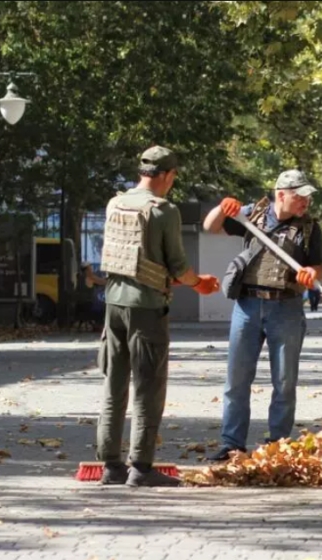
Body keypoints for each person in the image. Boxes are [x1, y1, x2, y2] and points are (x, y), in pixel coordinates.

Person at [97, 145, 220, 487]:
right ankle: (141, 467)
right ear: (166, 175)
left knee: (114, 385)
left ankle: (110, 466)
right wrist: (200, 284)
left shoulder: (114, 204)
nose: (172, 184)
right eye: (173, 178)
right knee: (148, 388)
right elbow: (179, 267)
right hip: (147, 309)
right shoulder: (165, 211)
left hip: (113, 305)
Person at [203, 169, 322, 461]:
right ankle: (232, 443)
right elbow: (211, 226)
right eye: (299, 196)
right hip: (247, 306)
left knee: (284, 381)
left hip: (286, 307)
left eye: (307, 196)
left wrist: (312, 273)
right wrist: (223, 207)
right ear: (280, 194)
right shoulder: (252, 215)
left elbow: (317, 266)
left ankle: (278, 445)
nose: (305, 202)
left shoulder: (309, 228)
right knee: (237, 379)